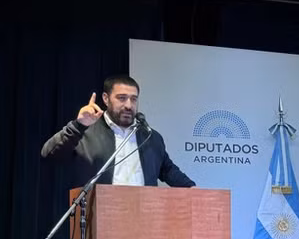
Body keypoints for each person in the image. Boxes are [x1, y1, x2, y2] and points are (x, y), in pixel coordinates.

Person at [41, 75, 195, 187]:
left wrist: (192, 188)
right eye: (122, 98)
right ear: (106, 99)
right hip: (99, 217)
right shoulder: (85, 131)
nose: (129, 105)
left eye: (133, 99)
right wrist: (78, 126)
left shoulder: (150, 136)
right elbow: (49, 155)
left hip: (146, 217)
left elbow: (168, 170)